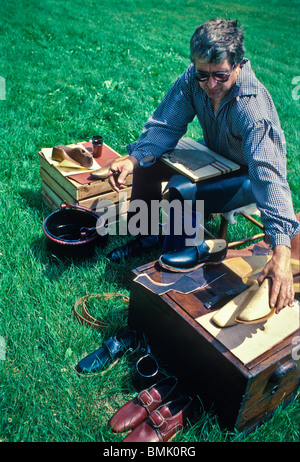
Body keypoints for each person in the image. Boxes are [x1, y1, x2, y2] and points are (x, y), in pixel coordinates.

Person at [106, 18, 300, 313]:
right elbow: (167, 124)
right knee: (148, 162)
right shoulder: (193, 79)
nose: (211, 85)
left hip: (248, 177)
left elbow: (268, 178)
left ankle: (170, 278)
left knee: (182, 189)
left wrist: (281, 249)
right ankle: (146, 235)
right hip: (215, 158)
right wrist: (132, 160)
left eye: (220, 76)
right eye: (203, 75)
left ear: (238, 65)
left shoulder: (253, 109)